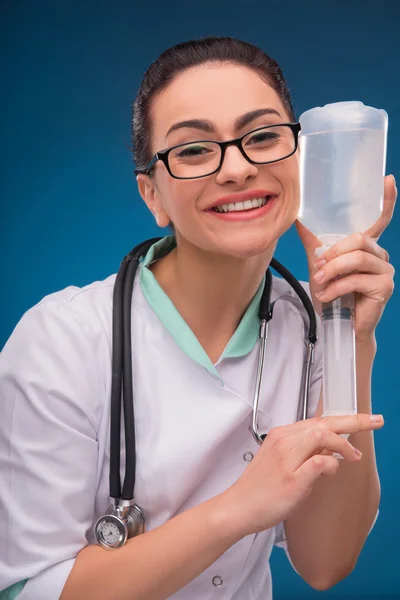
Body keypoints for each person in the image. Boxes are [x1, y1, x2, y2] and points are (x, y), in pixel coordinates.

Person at [0, 36, 396, 600]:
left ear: (302, 164)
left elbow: (325, 563)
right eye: (193, 150)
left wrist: (353, 337)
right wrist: (236, 510)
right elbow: (29, 589)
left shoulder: (313, 327)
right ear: (152, 195)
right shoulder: (61, 341)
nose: (236, 168)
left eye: (262, 137)